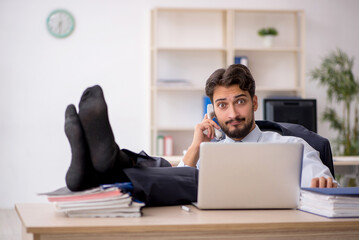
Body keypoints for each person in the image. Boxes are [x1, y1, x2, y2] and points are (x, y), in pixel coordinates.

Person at [64, 64, 336, 207]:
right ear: (212, 110)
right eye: (222, 105)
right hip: (213, 222)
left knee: (192, 179)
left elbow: (322, 182)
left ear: (254, 102)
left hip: (267, 221)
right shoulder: (209, 150)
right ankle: (103, 168)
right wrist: (195, 148)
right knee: (184, 175)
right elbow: (170, 188)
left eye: (239, 101)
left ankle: (110, 164)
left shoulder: (290, 145)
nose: (232, 113)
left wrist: (324, 183)